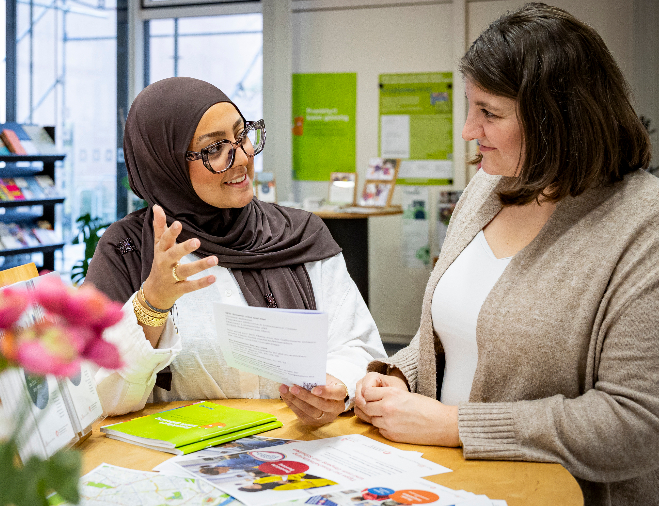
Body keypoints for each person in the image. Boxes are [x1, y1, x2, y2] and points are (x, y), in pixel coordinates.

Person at [352, 4, 657, 504]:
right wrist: (397, 375)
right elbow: (461, 337)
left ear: (560, 119)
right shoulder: (488, 187)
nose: (469, 131)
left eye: (489, 113)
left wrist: (457, 425)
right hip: (454, 482)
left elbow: (637, 424)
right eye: (470, 108)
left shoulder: (642, 225)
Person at [85, 77, 385, 423]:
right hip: (175, 465)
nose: (241, 157)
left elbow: (359, 346)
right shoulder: (129, 250)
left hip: (296, 452)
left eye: (241, 135)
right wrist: (151, 304)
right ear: (164, 165)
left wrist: (336, 388)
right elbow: (97, 396)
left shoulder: (298, 234)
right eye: (214, 148)